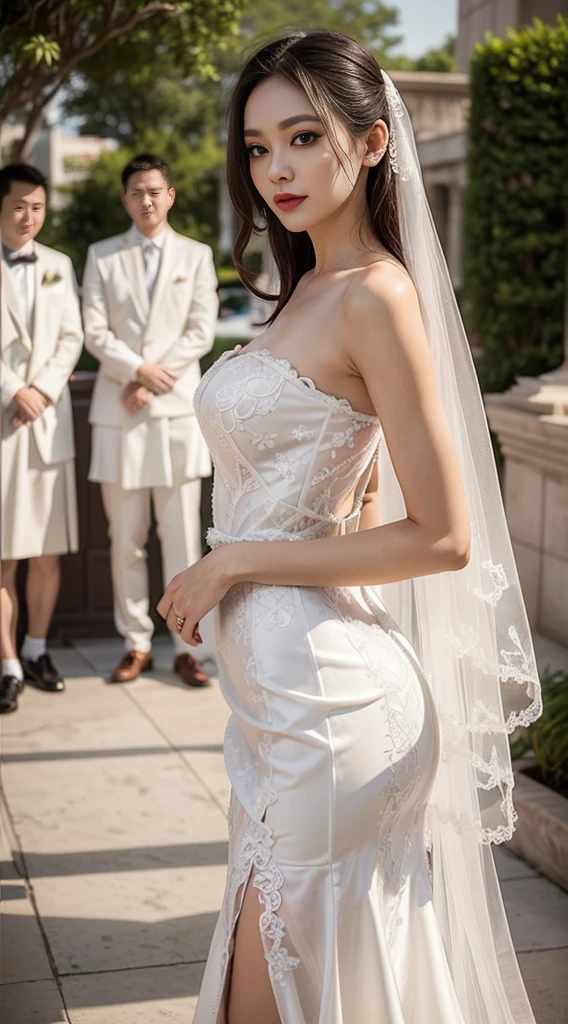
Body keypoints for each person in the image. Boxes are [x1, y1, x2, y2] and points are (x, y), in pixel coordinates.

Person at [159, 32, 542, 1024]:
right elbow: (358, 496)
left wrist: (236, 560)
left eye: (300, 137)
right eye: (254, 147)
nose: (274, 168)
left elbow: (445, 533)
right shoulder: (298, 295)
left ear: (372, 142)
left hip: (331, 714)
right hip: (280, 707)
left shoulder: (376, 294)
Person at [82, 154, 218, 686]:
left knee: (184, 540)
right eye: (137, 192)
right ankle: (135, 642)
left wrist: (155, 377)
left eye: (155, 191)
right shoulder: (102, 256)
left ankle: (190, 648)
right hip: (120, 414)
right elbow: (94, 330)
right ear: (125, 199)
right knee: (126, 540)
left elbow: (202, 330)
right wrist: (135, 370)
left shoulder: (197, 255)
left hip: (176, 412)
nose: (147, 201)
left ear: (171, 195)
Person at [0, 163, 83, 715]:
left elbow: (72, 336)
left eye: (38, 207)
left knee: (48, 553)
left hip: (48, 424)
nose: (30, 217)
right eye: (18, 207)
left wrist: (43, 390)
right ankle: (7, 663)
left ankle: (36, 648)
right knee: (4, 556)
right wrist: (12, 390)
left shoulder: (58, 264)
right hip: (4, 424)